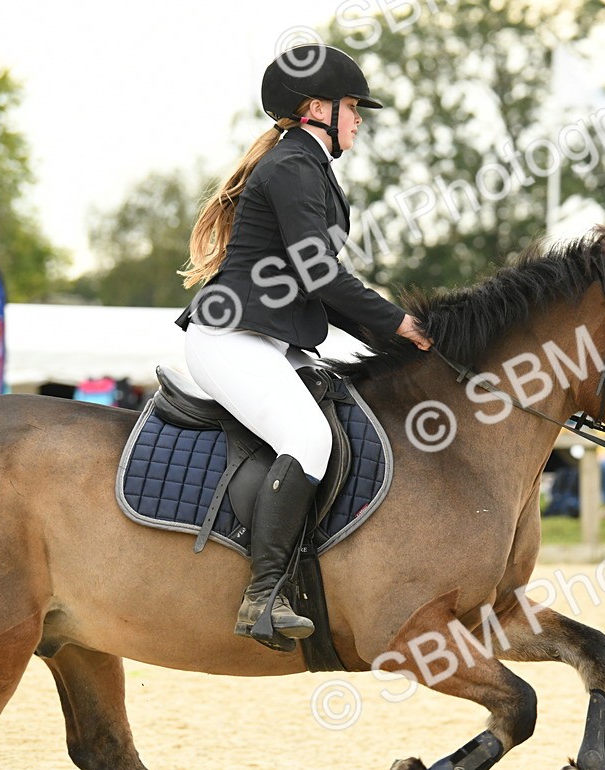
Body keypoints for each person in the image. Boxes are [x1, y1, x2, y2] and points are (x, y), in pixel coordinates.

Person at [174, 45, 432, 647]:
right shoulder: (293, 166)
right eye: (352, 108)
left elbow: (317, 292)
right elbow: (320, 276)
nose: (360, 119)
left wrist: (399, 342)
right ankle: (262, 594)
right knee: (308, 436)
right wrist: (395, 323)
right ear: (317, 109)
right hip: (229, 338)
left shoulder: (309, 167)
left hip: (268, 339)